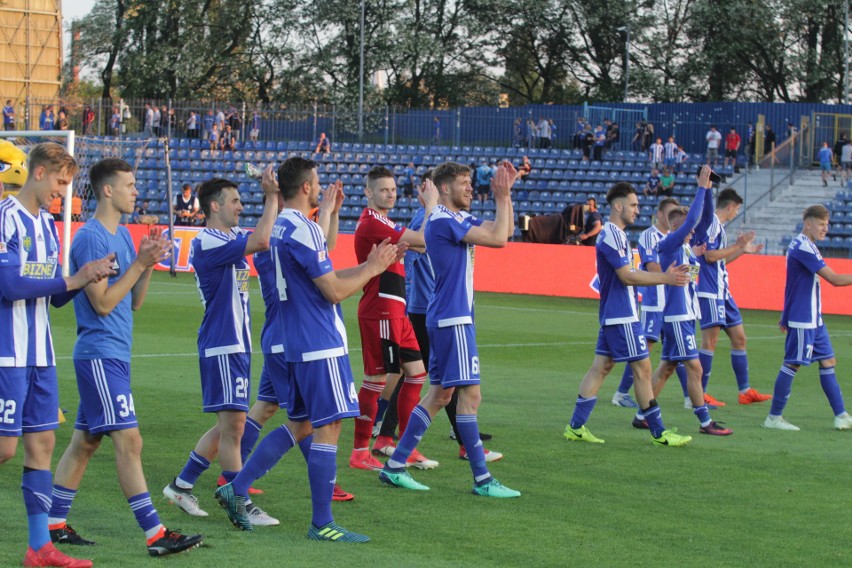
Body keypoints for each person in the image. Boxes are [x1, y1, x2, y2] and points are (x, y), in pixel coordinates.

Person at [214, 156, 401, 541]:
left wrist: (367, 263)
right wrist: (372, 268)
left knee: (300, 424)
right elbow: (332, 291)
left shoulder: (276, 230)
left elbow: (323, 277)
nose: (320, 186)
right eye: (316, 182)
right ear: (305, 187)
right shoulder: (305, 228)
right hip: (319, 342)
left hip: (292, 341)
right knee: (328, 427)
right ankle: (322, 523)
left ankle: (235, 487)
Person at [46, 158, 202, 556]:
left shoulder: (123, 237)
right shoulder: (91, 238)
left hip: (114, 353)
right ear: (108, 191)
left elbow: (133, 303)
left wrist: (146, 263)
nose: (136, 191)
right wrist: (138, 263)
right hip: (99, 353)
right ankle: (155, 534)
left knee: (85, 443)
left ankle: (54, 525)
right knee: (130, 441)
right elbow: (101, 304)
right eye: (129, 185)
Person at [0, 142, 115, 568]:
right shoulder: (5, 219)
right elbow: (10, 287)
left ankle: (38, 548)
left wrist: (88, 278)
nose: (63, 192)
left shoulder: (48, 227)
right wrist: (76, 278)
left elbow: (56, 297)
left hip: (40, 354)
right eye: (60, 182)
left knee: (42, 446)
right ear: (39, 172)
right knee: (5, 449)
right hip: (7, 352)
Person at [377, 160, 520, 497]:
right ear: (445, 188)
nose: (471, 187)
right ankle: (483, 480)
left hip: (447, 316)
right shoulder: (443, 219)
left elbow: (505, 232)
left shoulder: (455, 219)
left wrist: (506, 196)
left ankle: (395, 466)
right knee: (470, 397)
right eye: (464, 182)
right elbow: (498, 239)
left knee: (439, 395)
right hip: (453, 318)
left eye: (471, 182)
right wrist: (501, 195)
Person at [221, 179, 354, 502]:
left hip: (279, 335)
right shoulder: (280, 238)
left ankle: (232, 476)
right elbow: (321, 262)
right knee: (309, 421)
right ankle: (237, 478)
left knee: (271, 409)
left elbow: (322, 245)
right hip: (293, 335)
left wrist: (329, 213)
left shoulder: (279, 236)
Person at [162, 172, 279, 523]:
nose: (241, 207)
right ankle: (239, 501)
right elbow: (260, 241)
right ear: (215, 206)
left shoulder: (229, 237)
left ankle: (181, 487)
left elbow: (265, 238)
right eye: (235, 201)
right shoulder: (207, 241)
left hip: (237, 344)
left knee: (229, 426)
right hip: (222, 344)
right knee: (234, 428)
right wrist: (271, 196)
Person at [563, 179, 692, 447]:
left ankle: (575, 427)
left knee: (602, 367)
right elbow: (626, 276)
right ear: (618, 205)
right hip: (622, 316)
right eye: (633, 205)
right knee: (643, 371)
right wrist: (665, 279)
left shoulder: (617, 234)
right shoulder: (610, 234)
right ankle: (659, 433)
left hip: (616, 315)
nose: (637, 209)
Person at [350, 166, 439, 470]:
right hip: (381, 310)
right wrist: (430, 206)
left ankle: (396, 443)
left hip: (396, 310)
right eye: (383, 189)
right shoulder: (373, 222)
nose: (390, 194)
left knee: (415, 373)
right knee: (376, 379)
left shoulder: (384, 222)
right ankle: (360, 451)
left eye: (393, 189)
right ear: (369, 193)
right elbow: (426, 241)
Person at [647, 169, 732, 436]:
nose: (692, 230)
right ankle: (705, 422)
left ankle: (643, 414)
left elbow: (703, 220)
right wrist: (701, 187)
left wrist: (708, 192)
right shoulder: (669, 243)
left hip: (683, 315)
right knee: (694, 368)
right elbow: (695, 218)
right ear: (675, 226)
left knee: (668, 367)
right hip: (677, 316)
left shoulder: (685, 248)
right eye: (686, 226)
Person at [763, 205, 852, 431]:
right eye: (821, 224)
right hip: (804, 317)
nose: (826, 229)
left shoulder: (804, 245)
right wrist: (789, 314)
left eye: (827, 225)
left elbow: (791, 283)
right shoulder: (804, 247)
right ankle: (773, 417)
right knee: (792, 364)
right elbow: (834, 279)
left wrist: (785, 313)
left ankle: (841, 415)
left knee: (828, 361)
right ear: (808, 223)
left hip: (814, 318)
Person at [693, 187, 772, 407]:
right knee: (710, 341)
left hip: (722, 292)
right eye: (736, 209)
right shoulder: (711, 224)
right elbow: (709, 256)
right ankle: (698, 395)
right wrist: (737, 245)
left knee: (739, 338)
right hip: (710, 292)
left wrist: (743, 250)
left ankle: (744, 391)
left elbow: (720, 260)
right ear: (729, 207)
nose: (736, 213)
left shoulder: (719, 227)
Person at [611, 197, 689, 409]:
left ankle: (691, 397)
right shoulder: (649, 236)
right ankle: (620, 393)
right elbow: (652, 267)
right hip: (655, 302)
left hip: (674, 304)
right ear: (662, 215)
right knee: (644, 349)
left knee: (677, 350)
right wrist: (669, 275)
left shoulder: (677, 239)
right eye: (671, 213)